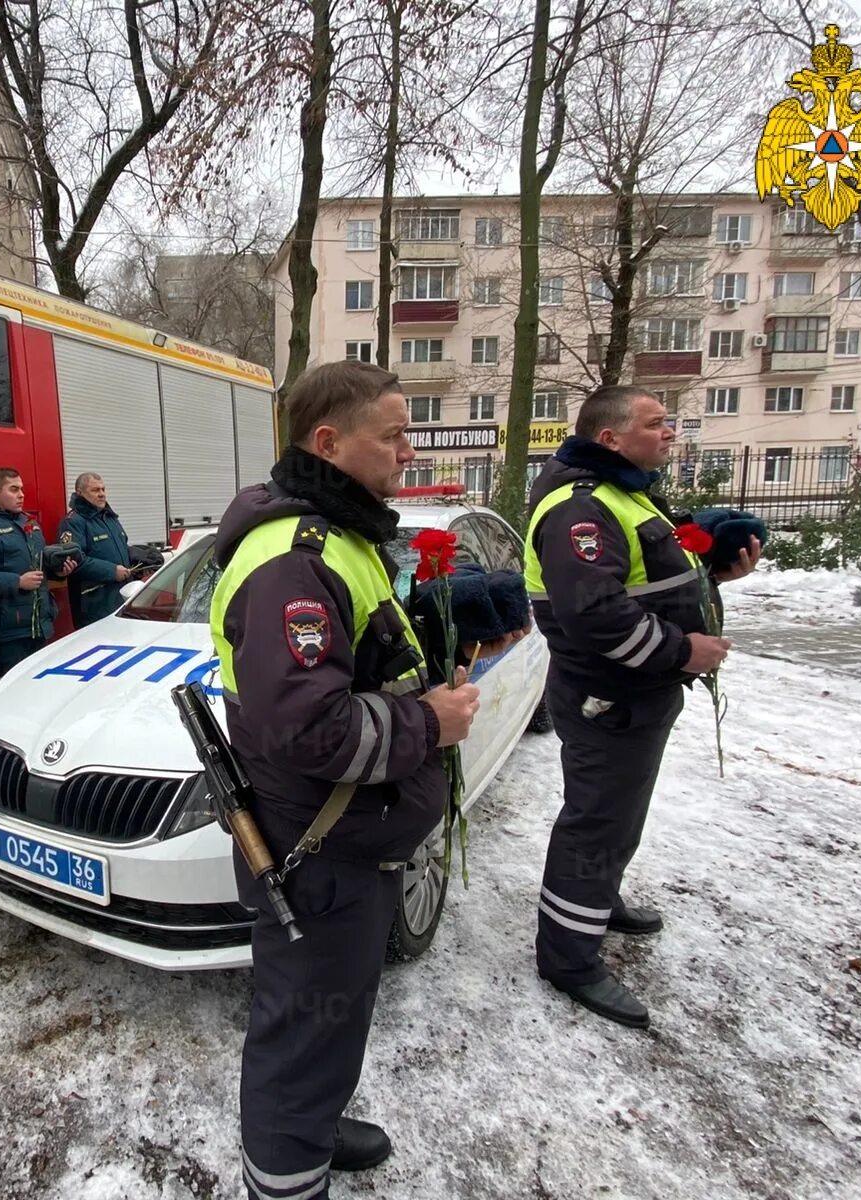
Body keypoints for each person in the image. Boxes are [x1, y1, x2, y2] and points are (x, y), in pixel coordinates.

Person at [210, 362, 485, 1199]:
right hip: (317, 847)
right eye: (394, 434)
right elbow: (312, 727)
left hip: (345, 841)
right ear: (328, 443)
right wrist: (428, 724)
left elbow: (358, 671)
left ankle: (313, 1129)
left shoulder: (340, 538)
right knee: (302, 1030)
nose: (409, 450)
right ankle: (287, 1176)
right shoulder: (296, 558)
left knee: (328, 1023)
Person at [524, 385, 759, 1029]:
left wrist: (713, 578)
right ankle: (569, 958)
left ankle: (594, 902)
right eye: (657, 424)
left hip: (637, 693)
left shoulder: (627, 494)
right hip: (609, 695)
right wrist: (686, 651)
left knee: (619, 816)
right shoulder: (583, 509)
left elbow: (650, 583)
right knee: (596, 822)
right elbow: (596, 616)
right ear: (610, 438)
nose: (670, 433)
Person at [0, 467, 77, 676]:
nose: (21, 495)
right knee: (12, 690)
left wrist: (59, 572)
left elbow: (39, 566)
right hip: (9, 629)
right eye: (14, 489)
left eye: (22, 489)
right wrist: (17, 581)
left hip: (39, 623)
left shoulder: (29, 523)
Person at [57, 472, 132, 627]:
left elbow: (121, 549)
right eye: (95, 490)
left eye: (103, 489)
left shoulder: (110, 518)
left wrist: (140, 559)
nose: (102, 494)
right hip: (93, 605)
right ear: (80, 492)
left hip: (120, 598)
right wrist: (112, 571)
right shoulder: (73, 523)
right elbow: (75, 560)